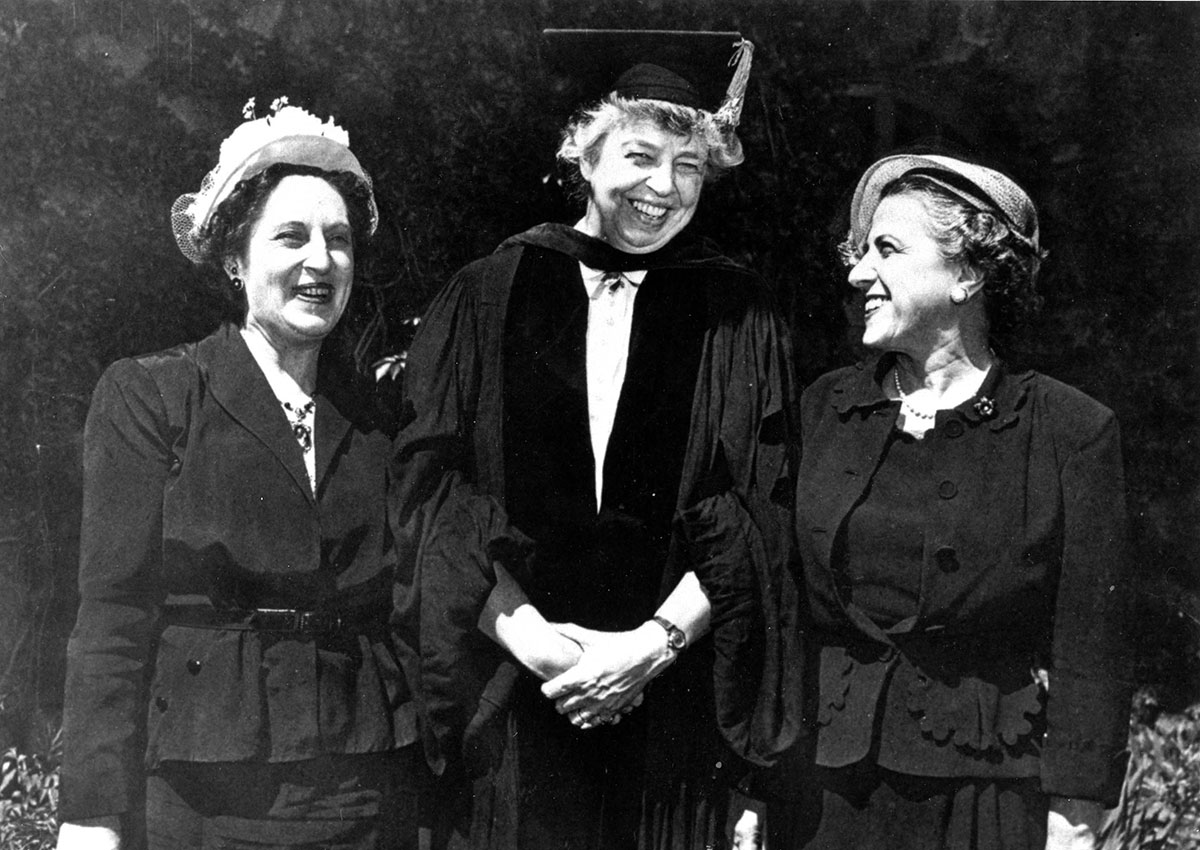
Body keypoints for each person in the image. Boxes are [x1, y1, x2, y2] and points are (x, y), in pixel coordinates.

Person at [391, 30, 802, 850]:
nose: (664, 188)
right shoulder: (488, 293)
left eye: (689, 168)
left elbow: (762, 509)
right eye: (641, 156)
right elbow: (433, 497)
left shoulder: (737, 313)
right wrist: (544, 649)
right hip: (516, 693)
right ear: (584, 150)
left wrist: (649, 650)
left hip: (673, 703)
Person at [56, 99, 419, 850]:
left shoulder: (379, 414)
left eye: (340, 241)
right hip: (207, 785)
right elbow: (112, 615)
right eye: (291, 237)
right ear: (234, 259)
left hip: (362, 784)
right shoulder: (153, 393)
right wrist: (91, 812)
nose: (321, 261)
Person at [776, 151, 1133, 850]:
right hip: (822, 792)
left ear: (967, 274)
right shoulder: (824, 408)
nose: (856, 273)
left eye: (885, 249)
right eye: (858, 253)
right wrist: (750, 788)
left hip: (986, 793)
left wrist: (1076, 815)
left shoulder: (1069, 430)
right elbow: (783, 608)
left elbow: (1092, 640)